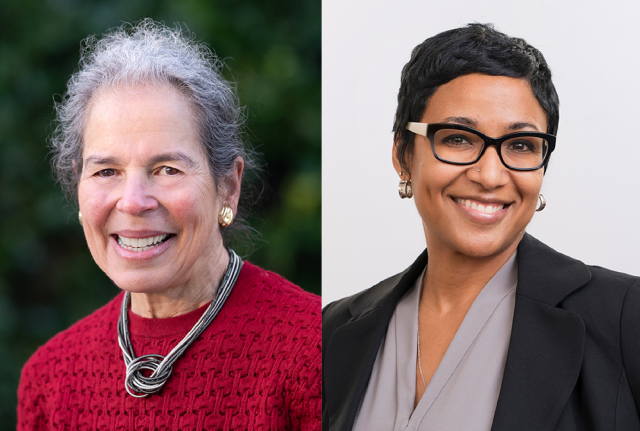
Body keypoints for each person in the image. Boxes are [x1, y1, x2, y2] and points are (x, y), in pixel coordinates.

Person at [322, 24, 640, 431]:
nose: (490, 175)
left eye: (521, 145)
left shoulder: (622, 316)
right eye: (458, 139)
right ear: (404, 154)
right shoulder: (335, 331)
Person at [18, 20, 321, 430]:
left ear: (227, 186)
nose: (133, 201)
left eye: (166, 169)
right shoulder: (49, 379)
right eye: (106, 171)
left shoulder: (317, 351)